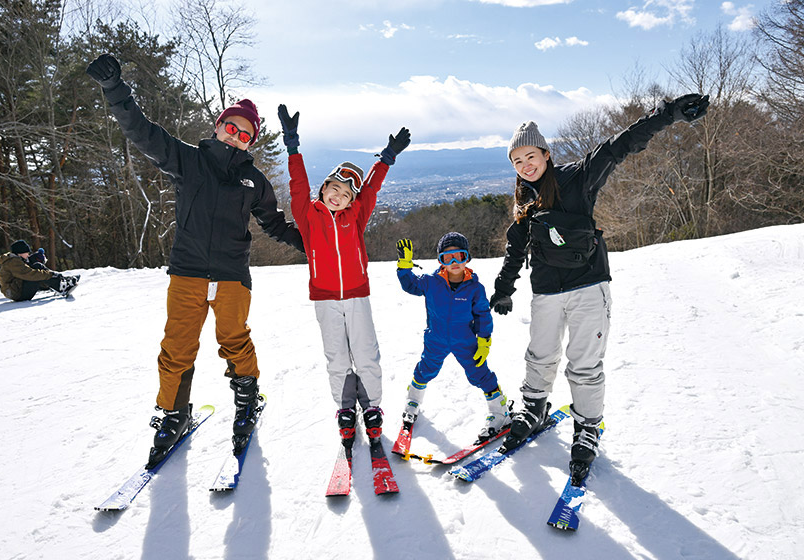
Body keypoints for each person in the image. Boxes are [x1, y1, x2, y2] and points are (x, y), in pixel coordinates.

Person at [86, 54, 305, 466]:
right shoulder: (188, 160)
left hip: (231, 277)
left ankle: (246, 401)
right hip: (187, 272)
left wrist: (320, 248)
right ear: (219, 126)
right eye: (231, 127)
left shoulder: (253, 181)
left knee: (234, 340)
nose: (236, 135)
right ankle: (174, 414)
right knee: (176, 348)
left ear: (251, 142)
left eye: (245, 133)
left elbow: (276, 225)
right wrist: (115, 90)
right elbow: (143, 133)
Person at [489, 93, 709, 484]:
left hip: (589, 285)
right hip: (546, 291)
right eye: (517, 162)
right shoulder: (525, 202)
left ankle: (588, 427)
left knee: (584, 364)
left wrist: (668, 114)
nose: (525, 166)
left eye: (530, 157)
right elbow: (515, 249)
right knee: (540, 354)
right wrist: (504, 288)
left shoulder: (577, 177)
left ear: (545, 153)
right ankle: (534, 407)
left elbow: (619, 145)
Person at [276, 103, 410, 447]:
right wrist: (292, 146)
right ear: (323, 189)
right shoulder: (308, 215)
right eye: (333, 188)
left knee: (366, 354)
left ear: (352, 200)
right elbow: (297, 183)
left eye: (346, 194)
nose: (338, 196)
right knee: (336, 357)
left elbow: (371, 189)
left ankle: (373, 408)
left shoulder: (356, 216)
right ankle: (345, 409)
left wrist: (387, 157)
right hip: (324, 298)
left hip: (356, 294)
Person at [395, 233, 511, 441]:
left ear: (467, 258)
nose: (454, 262)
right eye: (448, 258)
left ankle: (499, 410)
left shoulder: (475, 288)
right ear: (441, 260)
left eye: (459, 256)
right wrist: (405, 266)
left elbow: (483, 314)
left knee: (479, 373)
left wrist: (484, 340)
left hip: (465, 341)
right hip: (436, 339)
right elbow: (410, 285)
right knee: (425, 369)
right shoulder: (431, 282)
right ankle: (413, 400)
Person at [0, 240, 79, 301]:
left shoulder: (15, 260)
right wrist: (51, 274)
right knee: (36, 274)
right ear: (20, 253)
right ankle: (61, 286)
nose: (28, 254)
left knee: (37, 266)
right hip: (17, 293)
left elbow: (29, 268)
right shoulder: (13, 262)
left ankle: (60, 282)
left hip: (17, 288)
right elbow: (30, 274)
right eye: (27, 252)